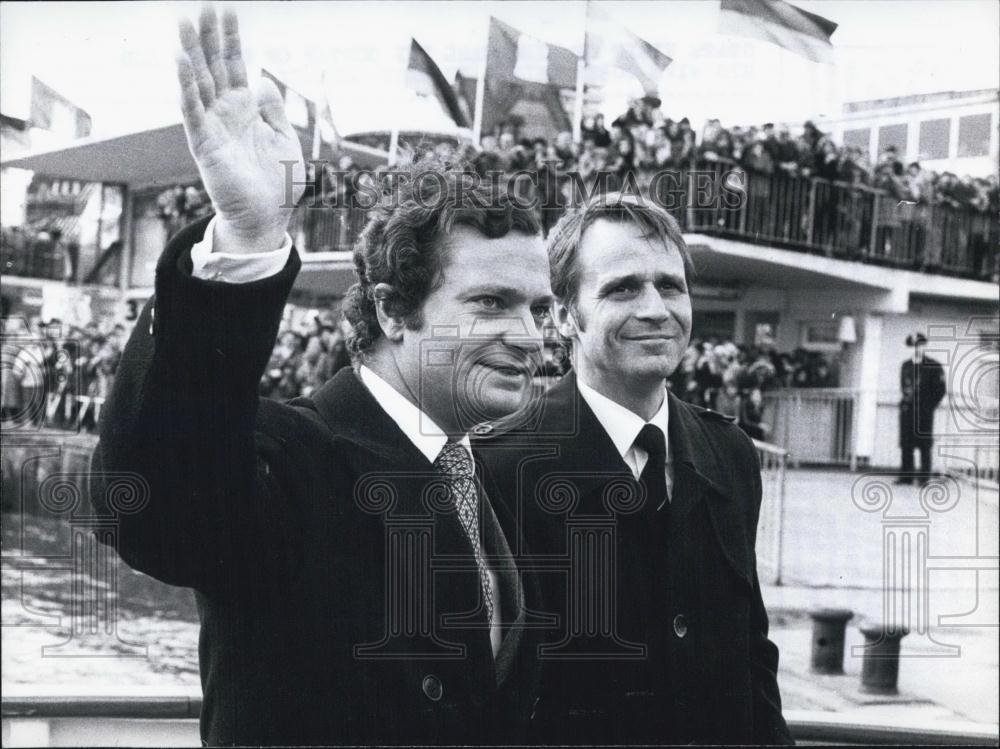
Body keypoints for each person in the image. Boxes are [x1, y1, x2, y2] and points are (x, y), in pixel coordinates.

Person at [89, 8, 552, 745]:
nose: (530, 336)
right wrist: (246, 238)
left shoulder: (485, 476)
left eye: (539, 306)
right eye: (491, 303)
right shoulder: (289, 456)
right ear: (393, 309)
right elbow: (147, 506)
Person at [476, 194, 792, 744]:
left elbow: (750, 656)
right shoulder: (502, 469)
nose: (655, 309)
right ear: (564, 315)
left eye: (670, 286)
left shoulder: (729, 453)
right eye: (623, 288)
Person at [897, 333, 946, 485]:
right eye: (914, 345)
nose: (917, 348)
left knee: (924, 445)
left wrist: (929, 406)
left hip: (924, 412)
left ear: (925, 346)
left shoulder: (934, 366)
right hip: (908, 411)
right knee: (906, 444)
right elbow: (903, 387)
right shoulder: (906, 366)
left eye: (920, 345)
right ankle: (906, 476)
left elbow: (940, 390)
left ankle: (924, 478)